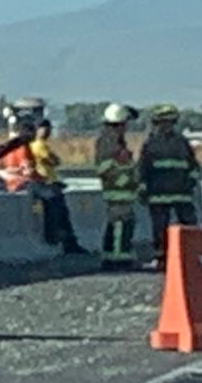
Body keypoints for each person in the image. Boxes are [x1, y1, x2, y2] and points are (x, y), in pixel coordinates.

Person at [138, 104, 200, 266]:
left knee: (187, 227)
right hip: (160, 194)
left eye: (167, 122)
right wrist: (143, 187)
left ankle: (190, 256)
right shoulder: (152, 144)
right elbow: (143, 169)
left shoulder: (179, 143)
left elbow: (193, 167)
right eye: (161, 122)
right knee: (160, 229)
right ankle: (162, 258)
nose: (163, 126)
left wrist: (190, 183)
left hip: (179, 193)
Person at [94, 103, 140, 268]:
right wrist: (125, 179)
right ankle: (118, 259)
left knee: (121, 223)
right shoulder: (109, 141)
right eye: (124, 123)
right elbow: (105, 167)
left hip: (122, 190)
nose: (126, 127)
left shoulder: (113, 140)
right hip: (117, 191)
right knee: (120, 224)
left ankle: (114, 256)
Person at [28, 118, 82, 254]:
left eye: (48, 128)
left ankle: (68, 242)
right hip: (45, 183)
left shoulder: (42, 145)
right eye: (43, 128)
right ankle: (61, 239)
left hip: (51, 181)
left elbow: (55, 161)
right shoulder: (38, 145)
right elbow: (52, 160)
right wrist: (52, 159)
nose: (47, 131)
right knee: (58, 212)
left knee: (62, 213)